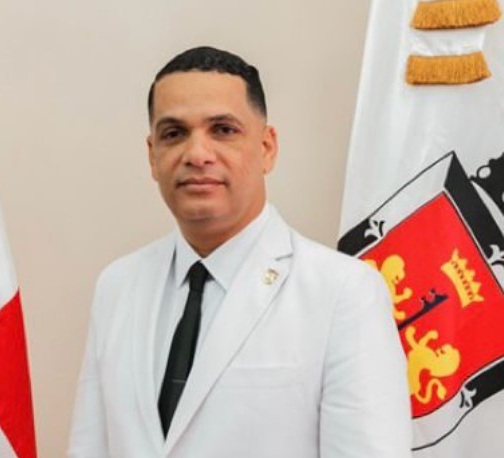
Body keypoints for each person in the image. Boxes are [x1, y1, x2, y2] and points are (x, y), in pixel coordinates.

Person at [68, 46, 412, 458]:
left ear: (267, 148)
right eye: (174, 133)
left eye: (223, 130)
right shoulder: (117, 285)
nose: (197, 155)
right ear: (153, 156)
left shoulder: (343, 292)